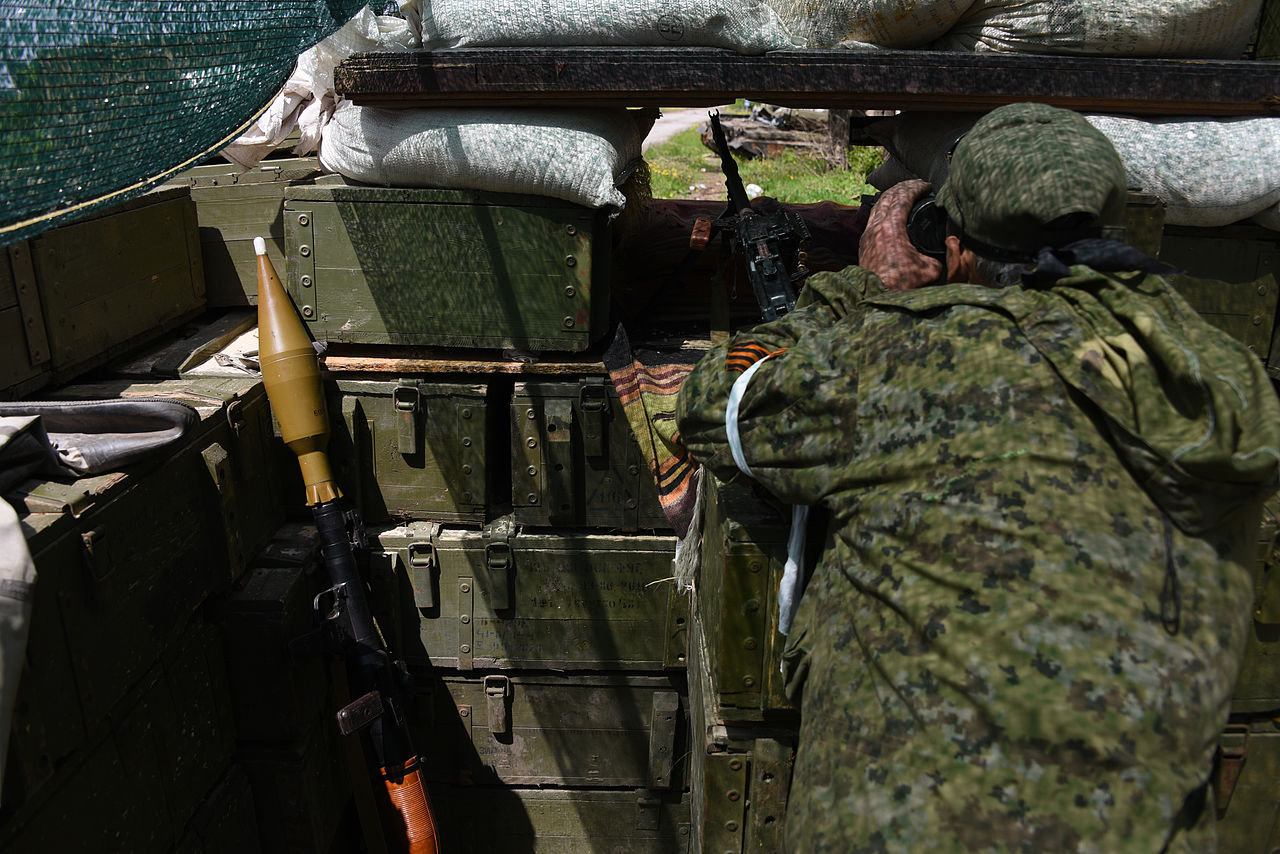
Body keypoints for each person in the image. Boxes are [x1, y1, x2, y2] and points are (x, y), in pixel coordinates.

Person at [675, 102, 1280, 853]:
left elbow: (710, 407)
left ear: (955, 249)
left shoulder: (912, 363)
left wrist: (863, 293)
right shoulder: (1227, 379)